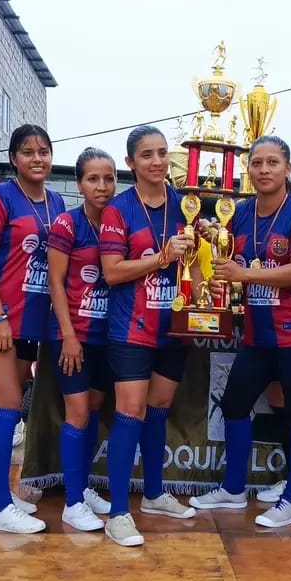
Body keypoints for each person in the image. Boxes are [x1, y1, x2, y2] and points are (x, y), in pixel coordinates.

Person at [188, 135, 291, 527]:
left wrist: (244, 274)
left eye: (272, 162)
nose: (264, 170)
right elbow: (227, 254)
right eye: (257, 163)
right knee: (234, 405)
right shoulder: (242, 212)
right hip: (259, 333)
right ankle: (234, 490)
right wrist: (214, 252)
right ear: (248, 170)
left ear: (288, 168)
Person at [98, 125, 199, 547]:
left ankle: (154, 494)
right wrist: (160, 257)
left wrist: (205, 278)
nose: (156, 162)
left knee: (159, 408)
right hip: (131, 328)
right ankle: (118, 513)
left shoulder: (187, 205)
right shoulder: (118, 210)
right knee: (131, 412)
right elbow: (111, 272)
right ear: (131, 162)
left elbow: (195, 263)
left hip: (173, 327)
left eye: (161, 153)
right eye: (146, 155)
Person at [0, 124, 64, 534]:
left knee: (12, 400)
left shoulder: (56, 201)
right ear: (13, 159)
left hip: (30, 323)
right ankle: (0, 507)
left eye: (43, 151)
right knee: (6, 404)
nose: (37, 159)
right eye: (27, 152)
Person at [46, 147, 117, 531]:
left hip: (108, 336)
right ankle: (72, 503)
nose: (102, 186)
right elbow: (55, 283)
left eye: (108, 178)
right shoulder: (67, 224)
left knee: (93, 408)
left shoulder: (119, 223)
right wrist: (69, 336)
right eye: (93, 179)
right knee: (76, 412)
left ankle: (83, 485)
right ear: (79, 184)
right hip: (72, 336)